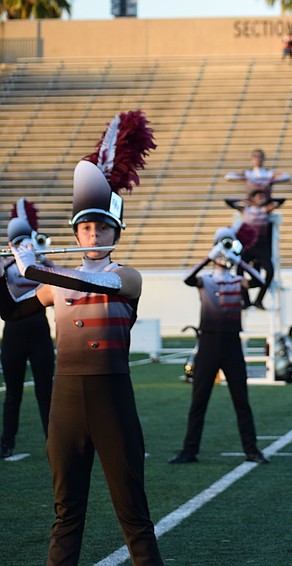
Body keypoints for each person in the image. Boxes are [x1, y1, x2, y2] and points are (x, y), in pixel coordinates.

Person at [0, 110, 162, 564]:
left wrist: (34, 266)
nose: (93, 234)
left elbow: (94, 285)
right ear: (76, 231)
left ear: (115, 232)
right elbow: (12, 312)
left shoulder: (126, 276)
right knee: (66, 513)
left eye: (102, 227)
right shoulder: (54, 281)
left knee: (133, 514)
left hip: (112, 398)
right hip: (66, 402)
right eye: (86, 228)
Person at [168, 224, 269, 465]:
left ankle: (251, 450)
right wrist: (208, 258)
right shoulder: (204, 280)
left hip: (232, 342)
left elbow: (259, 282)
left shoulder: (237, 281)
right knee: (199, 400)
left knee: (241, 400)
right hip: (208, 342)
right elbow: (186, 279)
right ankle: (189, 450)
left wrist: (239, 260)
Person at [1, 199, 54, 459]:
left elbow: (58, 280)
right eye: (18, 242)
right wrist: (12, 260)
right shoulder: (6, 264)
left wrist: (39, 258)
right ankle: (7, 441)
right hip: (14, 328)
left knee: (46, 390)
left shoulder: (39, 259)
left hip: (39, 327)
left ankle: (53, 439)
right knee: (14, 392)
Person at [224, 149, 290, 310]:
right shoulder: (245, 210)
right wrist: (246, 201)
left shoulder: (266, 210)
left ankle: (259, 299)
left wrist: (269, 182)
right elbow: (228, 198)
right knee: (239, 271)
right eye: (257, 196)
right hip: (247, 245)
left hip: (261, 244)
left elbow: (281, 198)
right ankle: (245, 300)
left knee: (269, 271)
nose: (259, 198)